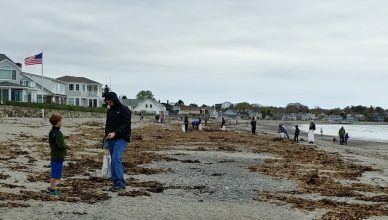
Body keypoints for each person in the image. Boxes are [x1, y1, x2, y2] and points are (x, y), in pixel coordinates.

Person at [104, 92, 131, 192]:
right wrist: (107, 135)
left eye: (110, 102)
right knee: (112, 160)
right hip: (111, 138)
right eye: (107, 102)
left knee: (116, 158)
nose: (109, 104)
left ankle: (121, 184)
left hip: (122, 137)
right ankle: (115, 183)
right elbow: (107, 125)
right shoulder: (109, 111)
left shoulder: (125, 110)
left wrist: (115, 133)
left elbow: (126, 125)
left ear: (114, 100)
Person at [48, 113, 68, 196]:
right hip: (58, 155)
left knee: (55, 171)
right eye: (61, 121)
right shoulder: (58, 133)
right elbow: (61, 145)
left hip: (54, 154)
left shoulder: (51, 132)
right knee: (55, 173)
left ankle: (53, 186)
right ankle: (52, 188)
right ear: (58, 122)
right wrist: (66, 146)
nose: (61, 122)